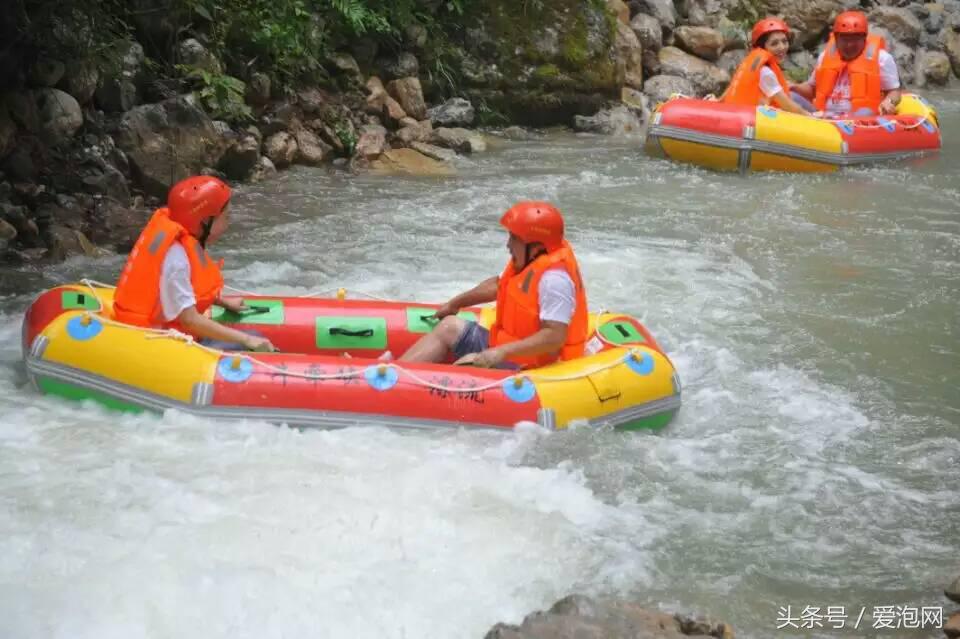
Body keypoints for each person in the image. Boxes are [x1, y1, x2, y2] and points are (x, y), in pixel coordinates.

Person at [399, 201, 588, 369]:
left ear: (536, 246)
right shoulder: (529, 261)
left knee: (466, 366)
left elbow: (554, 337)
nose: (508, 245)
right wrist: (454, 304)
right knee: (449, 327)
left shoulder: (555, 280)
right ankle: (393, 375)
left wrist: (501, 352)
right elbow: (498, 285)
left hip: (537, 367)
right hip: (508, 349)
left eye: (514, 238)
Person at [113, 175, 275, 352]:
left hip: (162, 329)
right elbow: (189, 320)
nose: (228, 223)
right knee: (255, 338)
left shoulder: (178, 242)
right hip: (158, 344)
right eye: (226, 217)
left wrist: (223, 303)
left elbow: (177, 291)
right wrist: (247, 340)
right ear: (205, 221)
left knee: (252, 338)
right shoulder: (176, 258)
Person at [790, 10, 902, 117]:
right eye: (844, 39)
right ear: (836, 38)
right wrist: (794, 87)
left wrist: (889, 101)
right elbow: (812, 90)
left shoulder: (882, 59)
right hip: (823, 116)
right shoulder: (825, 56)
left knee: (864, 112)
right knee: (791, 96)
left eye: (855, 39)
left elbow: (894, 91)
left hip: (861, 119)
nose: (849, 45)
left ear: (864, 38)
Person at [722, 17, 813, 114]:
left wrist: (719, 100)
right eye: (774, 44)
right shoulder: (765, 72)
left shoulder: (752, 63)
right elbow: (787, 105)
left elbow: (731, 89)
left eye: (784, 41)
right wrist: (811, 117)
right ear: (762, 47)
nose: (782, 47)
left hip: (742, 115)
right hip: (749, 121)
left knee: (794, 96)